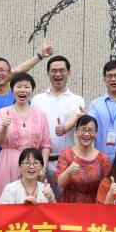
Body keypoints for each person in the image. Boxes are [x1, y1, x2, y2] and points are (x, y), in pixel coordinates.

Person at [31, 56, 85, 186]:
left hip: (66, 163)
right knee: (41, 196)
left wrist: (65, 128)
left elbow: (74, 115)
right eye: (54, 71)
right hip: (40, 163)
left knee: (64, 197)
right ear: (47, 73)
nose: (58, 74)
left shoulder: (77, 99)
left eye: (62, 70)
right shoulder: (37, 99)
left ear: (69, 72)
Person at [0, 73, 50, 198]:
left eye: (27, 87)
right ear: (12, 90)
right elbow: (0, 141)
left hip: (33, 165)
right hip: (8, 163)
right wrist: (4, 126)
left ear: (32, 91)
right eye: (18, 86)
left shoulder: (40, 114)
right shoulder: (3, 112)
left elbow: (46, 145)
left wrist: (42, 167)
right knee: (8, 201)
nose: (22, 90)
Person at [56, 115, 112, 204]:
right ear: (76, 131)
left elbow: (107, 187)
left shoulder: (103, 159)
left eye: (90, 130)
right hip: (68, 205)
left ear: (96, 133)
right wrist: (68, 172)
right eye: (83, 129)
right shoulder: (66, 154)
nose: (86, 134)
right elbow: (60, 184)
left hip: (93, 206)